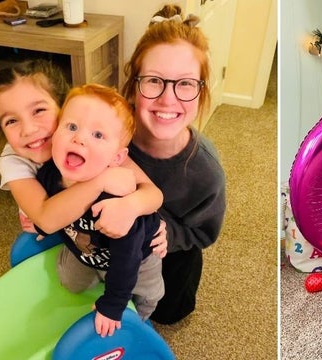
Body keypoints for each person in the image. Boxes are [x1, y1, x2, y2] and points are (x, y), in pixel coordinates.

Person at [120, 4, 227, 324]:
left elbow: (205, 233)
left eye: (185, 83)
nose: (168, 99)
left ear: (201, 91)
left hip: (172, 257)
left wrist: (172, 234)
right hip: (115, 242)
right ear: (134, 85)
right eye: (154, 80)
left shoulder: (206, 173)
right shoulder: (107, 132)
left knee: (168, 313)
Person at [0, 59, 167, 246]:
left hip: (94, 231)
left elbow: (153, 193)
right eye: (11, 121)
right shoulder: (13, 160)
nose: (29, 130)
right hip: (56, 230)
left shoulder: (88, 141)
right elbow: (46, 220)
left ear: (64, 108)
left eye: (38, 110)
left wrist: (134, 209)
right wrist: (101, 181)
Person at [35, 83, 164, 337]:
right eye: (71, 127)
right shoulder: (49, 175)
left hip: (138, 257)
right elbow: (47, 209)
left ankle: (139, 324)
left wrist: (113, 306)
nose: (79, 138)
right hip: (86, 251)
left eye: (98, 135)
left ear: (117, 158)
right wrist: (41, 224)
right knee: (68, 281)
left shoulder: (115, 197)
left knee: (149, 294)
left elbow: (127, 258)